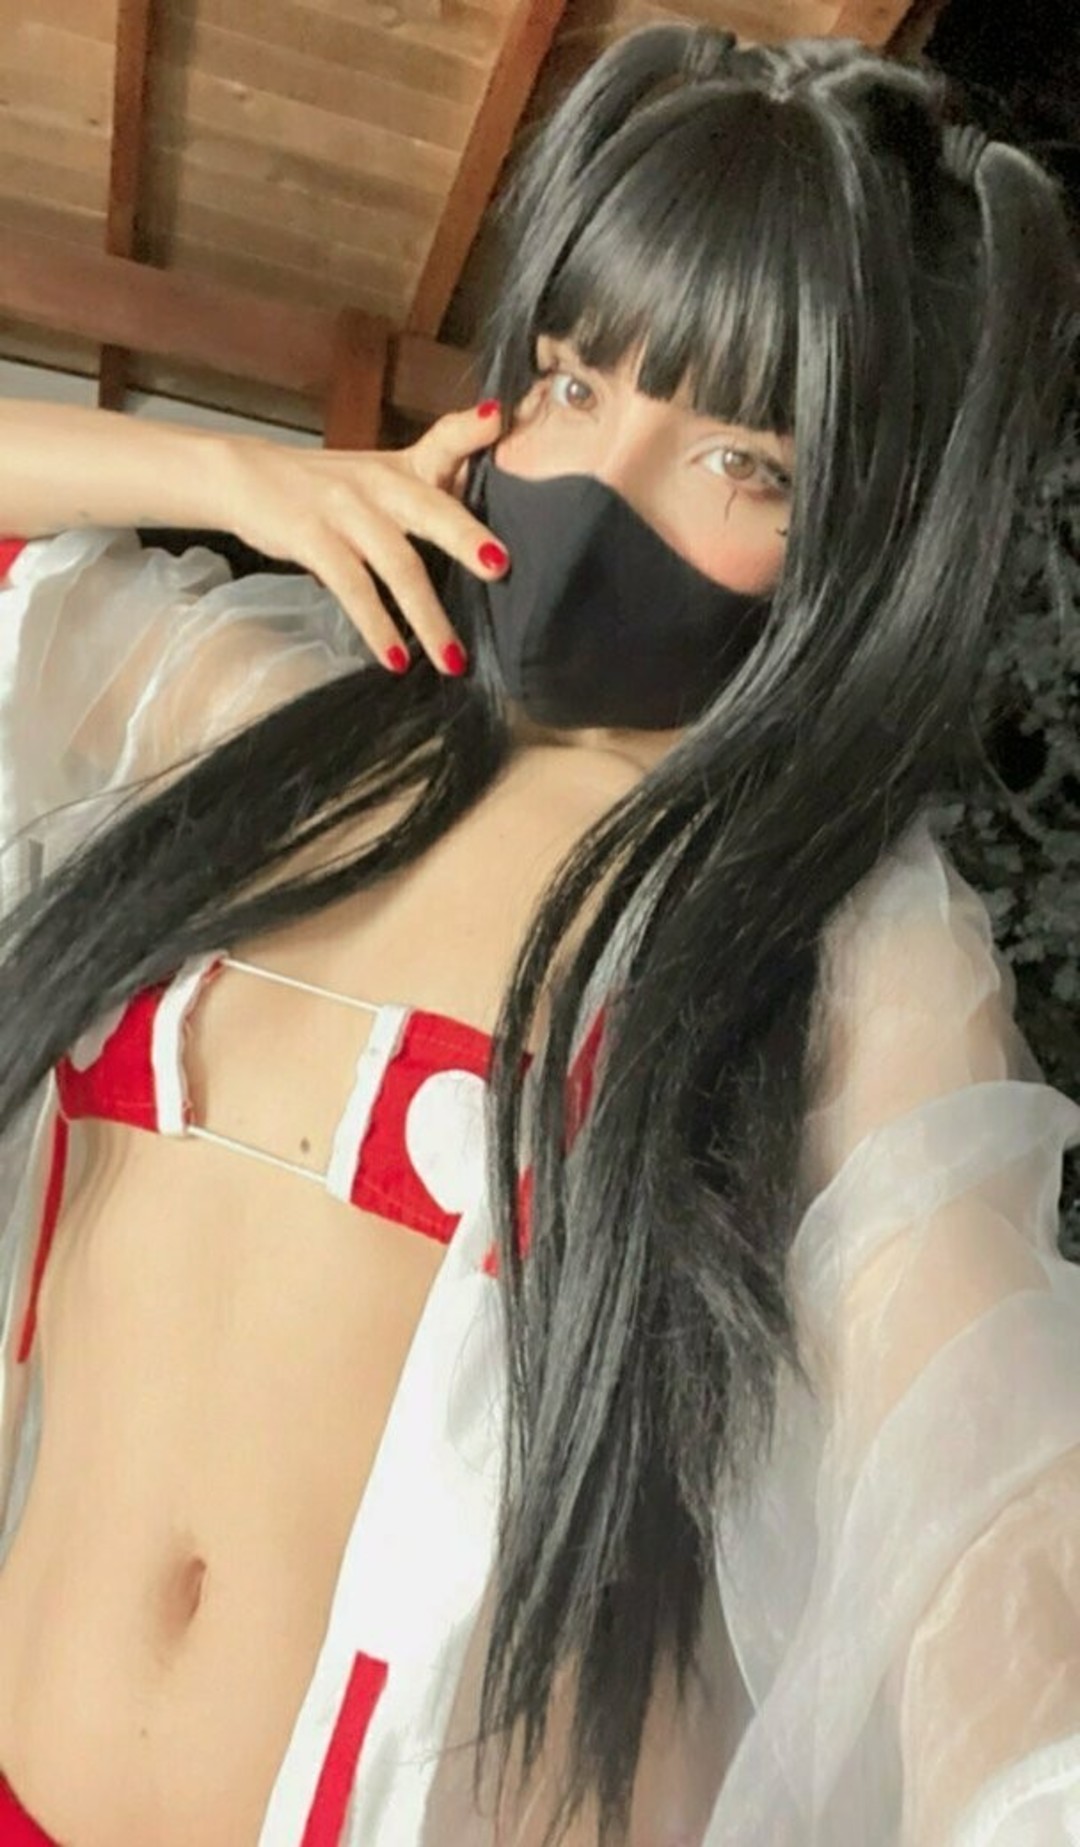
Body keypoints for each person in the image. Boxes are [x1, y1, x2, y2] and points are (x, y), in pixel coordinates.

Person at [0, 20, 1076, 1847]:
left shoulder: (842, 942)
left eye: (741, 460)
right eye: (571, 384)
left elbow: (989, 1486)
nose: (599, 481)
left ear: (864, 538)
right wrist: (240, 480)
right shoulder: (253, 717)